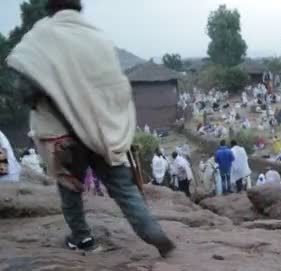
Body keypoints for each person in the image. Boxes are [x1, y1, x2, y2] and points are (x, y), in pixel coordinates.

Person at [6, 0, 175, 255]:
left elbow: (25, 88)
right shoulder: (97, 39)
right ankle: (152, 232)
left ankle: (82, 238)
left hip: (63, 135)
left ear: (50, 9)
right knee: (124, 189)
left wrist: (57, 94)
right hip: (103, 130)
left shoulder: (41, 37)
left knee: (70, 188)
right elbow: (117, 86)